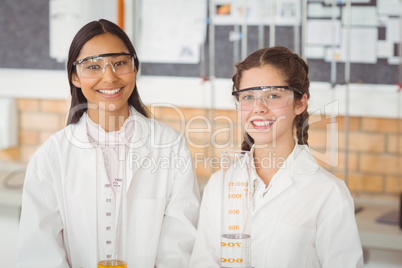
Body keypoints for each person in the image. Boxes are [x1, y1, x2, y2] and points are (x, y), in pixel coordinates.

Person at [17, 19, 200, 268]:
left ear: (135, 68)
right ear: (75, 77)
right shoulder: (52, 156)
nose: (109, 76)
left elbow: (179, 244)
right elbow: (39, 252)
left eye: (120, 63)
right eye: (93, 67)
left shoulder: (170, 146)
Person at [190, 46, 364, 267]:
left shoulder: (329, 193)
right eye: (248, 97)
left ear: (300, 103)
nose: (259, 108)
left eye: (273, 95)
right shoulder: (218, 185)